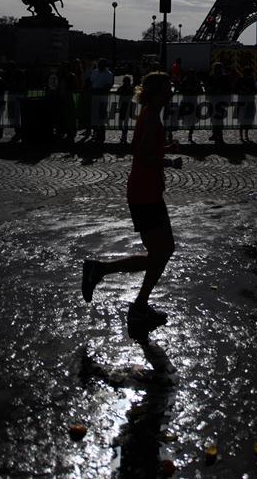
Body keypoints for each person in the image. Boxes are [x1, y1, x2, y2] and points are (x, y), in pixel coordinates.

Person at [81, 72, 182, 325]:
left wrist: (166, 149)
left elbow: (144, 149)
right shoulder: (150, 118)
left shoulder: (149, 114)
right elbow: (142, 154)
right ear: (159, 91)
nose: (171, 92)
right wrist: (169, 161)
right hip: (144, 194)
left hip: (146, 192)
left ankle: (133, 298)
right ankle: (119, 287)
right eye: (168, 88)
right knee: (161, 251)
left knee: (162, 251)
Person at [205, 62, 232, 144]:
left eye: (220, 68)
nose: (218, 70)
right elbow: (207, 87)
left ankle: (220, 135)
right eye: (217, 68)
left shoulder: (225, 77)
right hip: (212, 100)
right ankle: (214, 133)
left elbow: (228, 88)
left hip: (221, 101)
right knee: (213, 119)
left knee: (220, 119)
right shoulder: (211, 77)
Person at [90, 57, 114, 144]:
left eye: (102, 64)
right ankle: (95, 133)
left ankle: (101, 135)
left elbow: (108, 86)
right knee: (94, 115)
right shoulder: (94, 72)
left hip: (102, 97)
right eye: (99, 64)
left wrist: (98, 90)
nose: (100, 65)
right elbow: (91, 82)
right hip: (95, 96)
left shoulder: (109, 74)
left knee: (101, 117)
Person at [179, 68, 202, 143]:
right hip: (186, 102)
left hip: (193, 102)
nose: (190, 75)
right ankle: (187, 132)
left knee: (193, 119)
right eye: (189, 74)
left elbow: (200, 90)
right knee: (185, 118)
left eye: (192, 74)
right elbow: (180, 89)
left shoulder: (196, 81)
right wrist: (186, 89)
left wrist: (195, 89)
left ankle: (190, 134)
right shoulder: (184, 81)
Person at [235, 66, 257, 143]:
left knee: (248, 119)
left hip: (250, 101)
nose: (246, 75)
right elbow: (235, 89)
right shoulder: (239, 79)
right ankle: (241, 135)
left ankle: (246, 134)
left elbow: (254, 90)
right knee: (242, 119)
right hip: (242, 101)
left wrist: (249, 91)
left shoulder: (251, 80)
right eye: (245, 73)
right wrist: (241, 91)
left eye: (248, 73)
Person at [117, 75, 134, 146]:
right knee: (124, 122)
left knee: (124, 122)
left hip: (125, 105)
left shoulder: (122, 88)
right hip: (126, 106)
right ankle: (124, 136)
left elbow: (118, 92)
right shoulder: (131, 88)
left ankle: (124, 136)